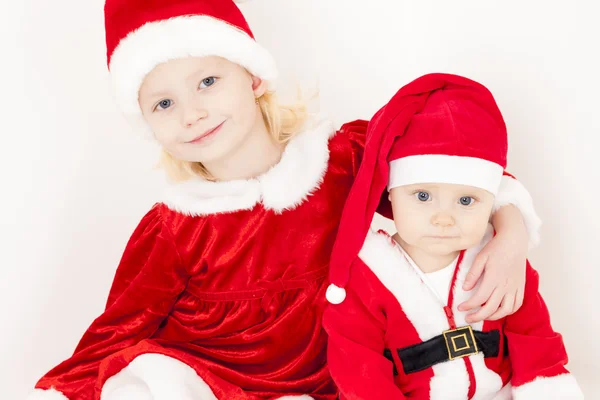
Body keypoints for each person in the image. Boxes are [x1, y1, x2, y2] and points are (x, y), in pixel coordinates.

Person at [27, 1, 542, 399]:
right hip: (209, 377)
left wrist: (512, 234)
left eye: (208, 81)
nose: (192, 113)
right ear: (147, 124)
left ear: (252, 77)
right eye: (164, 102)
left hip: (337, 377)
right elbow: (118, 326)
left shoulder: (345, 159)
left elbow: (462, 175)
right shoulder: (174, 227)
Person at [324, 73, 583, 399]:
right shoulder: (366, 277)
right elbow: (359, 370)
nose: (443, 218)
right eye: (422, 196)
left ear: (492, 201)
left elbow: (535, 343)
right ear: (390, 193)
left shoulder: (500, 263)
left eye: (465, 200)